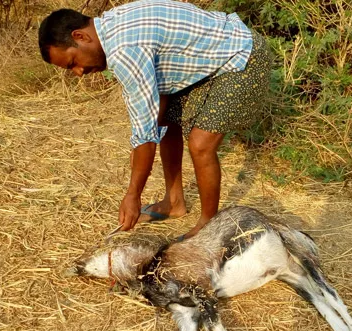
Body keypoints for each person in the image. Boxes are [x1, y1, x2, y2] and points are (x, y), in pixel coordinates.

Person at [38, 0, 272, 239]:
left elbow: (144, 136)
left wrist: (132, 195)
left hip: (243, 55)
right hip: (213, 56)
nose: (79, 73)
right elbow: (152, 117)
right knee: (165, 122)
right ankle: (174, 202)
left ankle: (209, 228)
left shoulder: (124, 52)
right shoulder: (111, 24)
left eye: (73, 63)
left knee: (201, 145)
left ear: (80, 36)